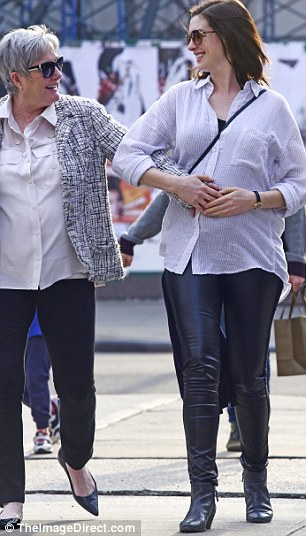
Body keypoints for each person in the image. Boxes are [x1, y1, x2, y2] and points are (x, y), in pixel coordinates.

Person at [0, 23, 209, 530]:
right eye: (45, 68)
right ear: (15, 78)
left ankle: (75, 460)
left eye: (58, 64)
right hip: (5, 281)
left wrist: (177, 183)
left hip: (68, 273)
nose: (57, 75)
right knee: (4, 388)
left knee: (76, 387)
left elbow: (132, 156)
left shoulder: (82, 116)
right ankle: (9, 501)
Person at [112, 0, 306, 531]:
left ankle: (257, 485)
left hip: (252, 257)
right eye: (189, 36)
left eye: (200, 36)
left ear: (227, 37)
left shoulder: (273, 108)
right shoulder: (180, 99)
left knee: (249, 376)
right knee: (199, 372)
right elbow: (129, 153)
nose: (192, 45)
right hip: (190, 255)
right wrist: (176, 183)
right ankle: (202, 496)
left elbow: (299, 185)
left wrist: (255, 198)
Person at [119, 195, 306, 450]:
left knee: (249, 348)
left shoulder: (267, 154)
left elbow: (291, 198)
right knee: (211, 346)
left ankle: (248, 423)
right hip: (204, 265)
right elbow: (171, 195)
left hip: (255, 261)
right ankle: (235, 421)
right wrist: (132, 237)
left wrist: (295, 258)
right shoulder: (193, 156)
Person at [23, 311, 60, 454]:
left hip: (39, 323)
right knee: (17, 384)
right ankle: (51, 407)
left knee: (35, 377)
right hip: (10, 317)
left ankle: (43, 431)